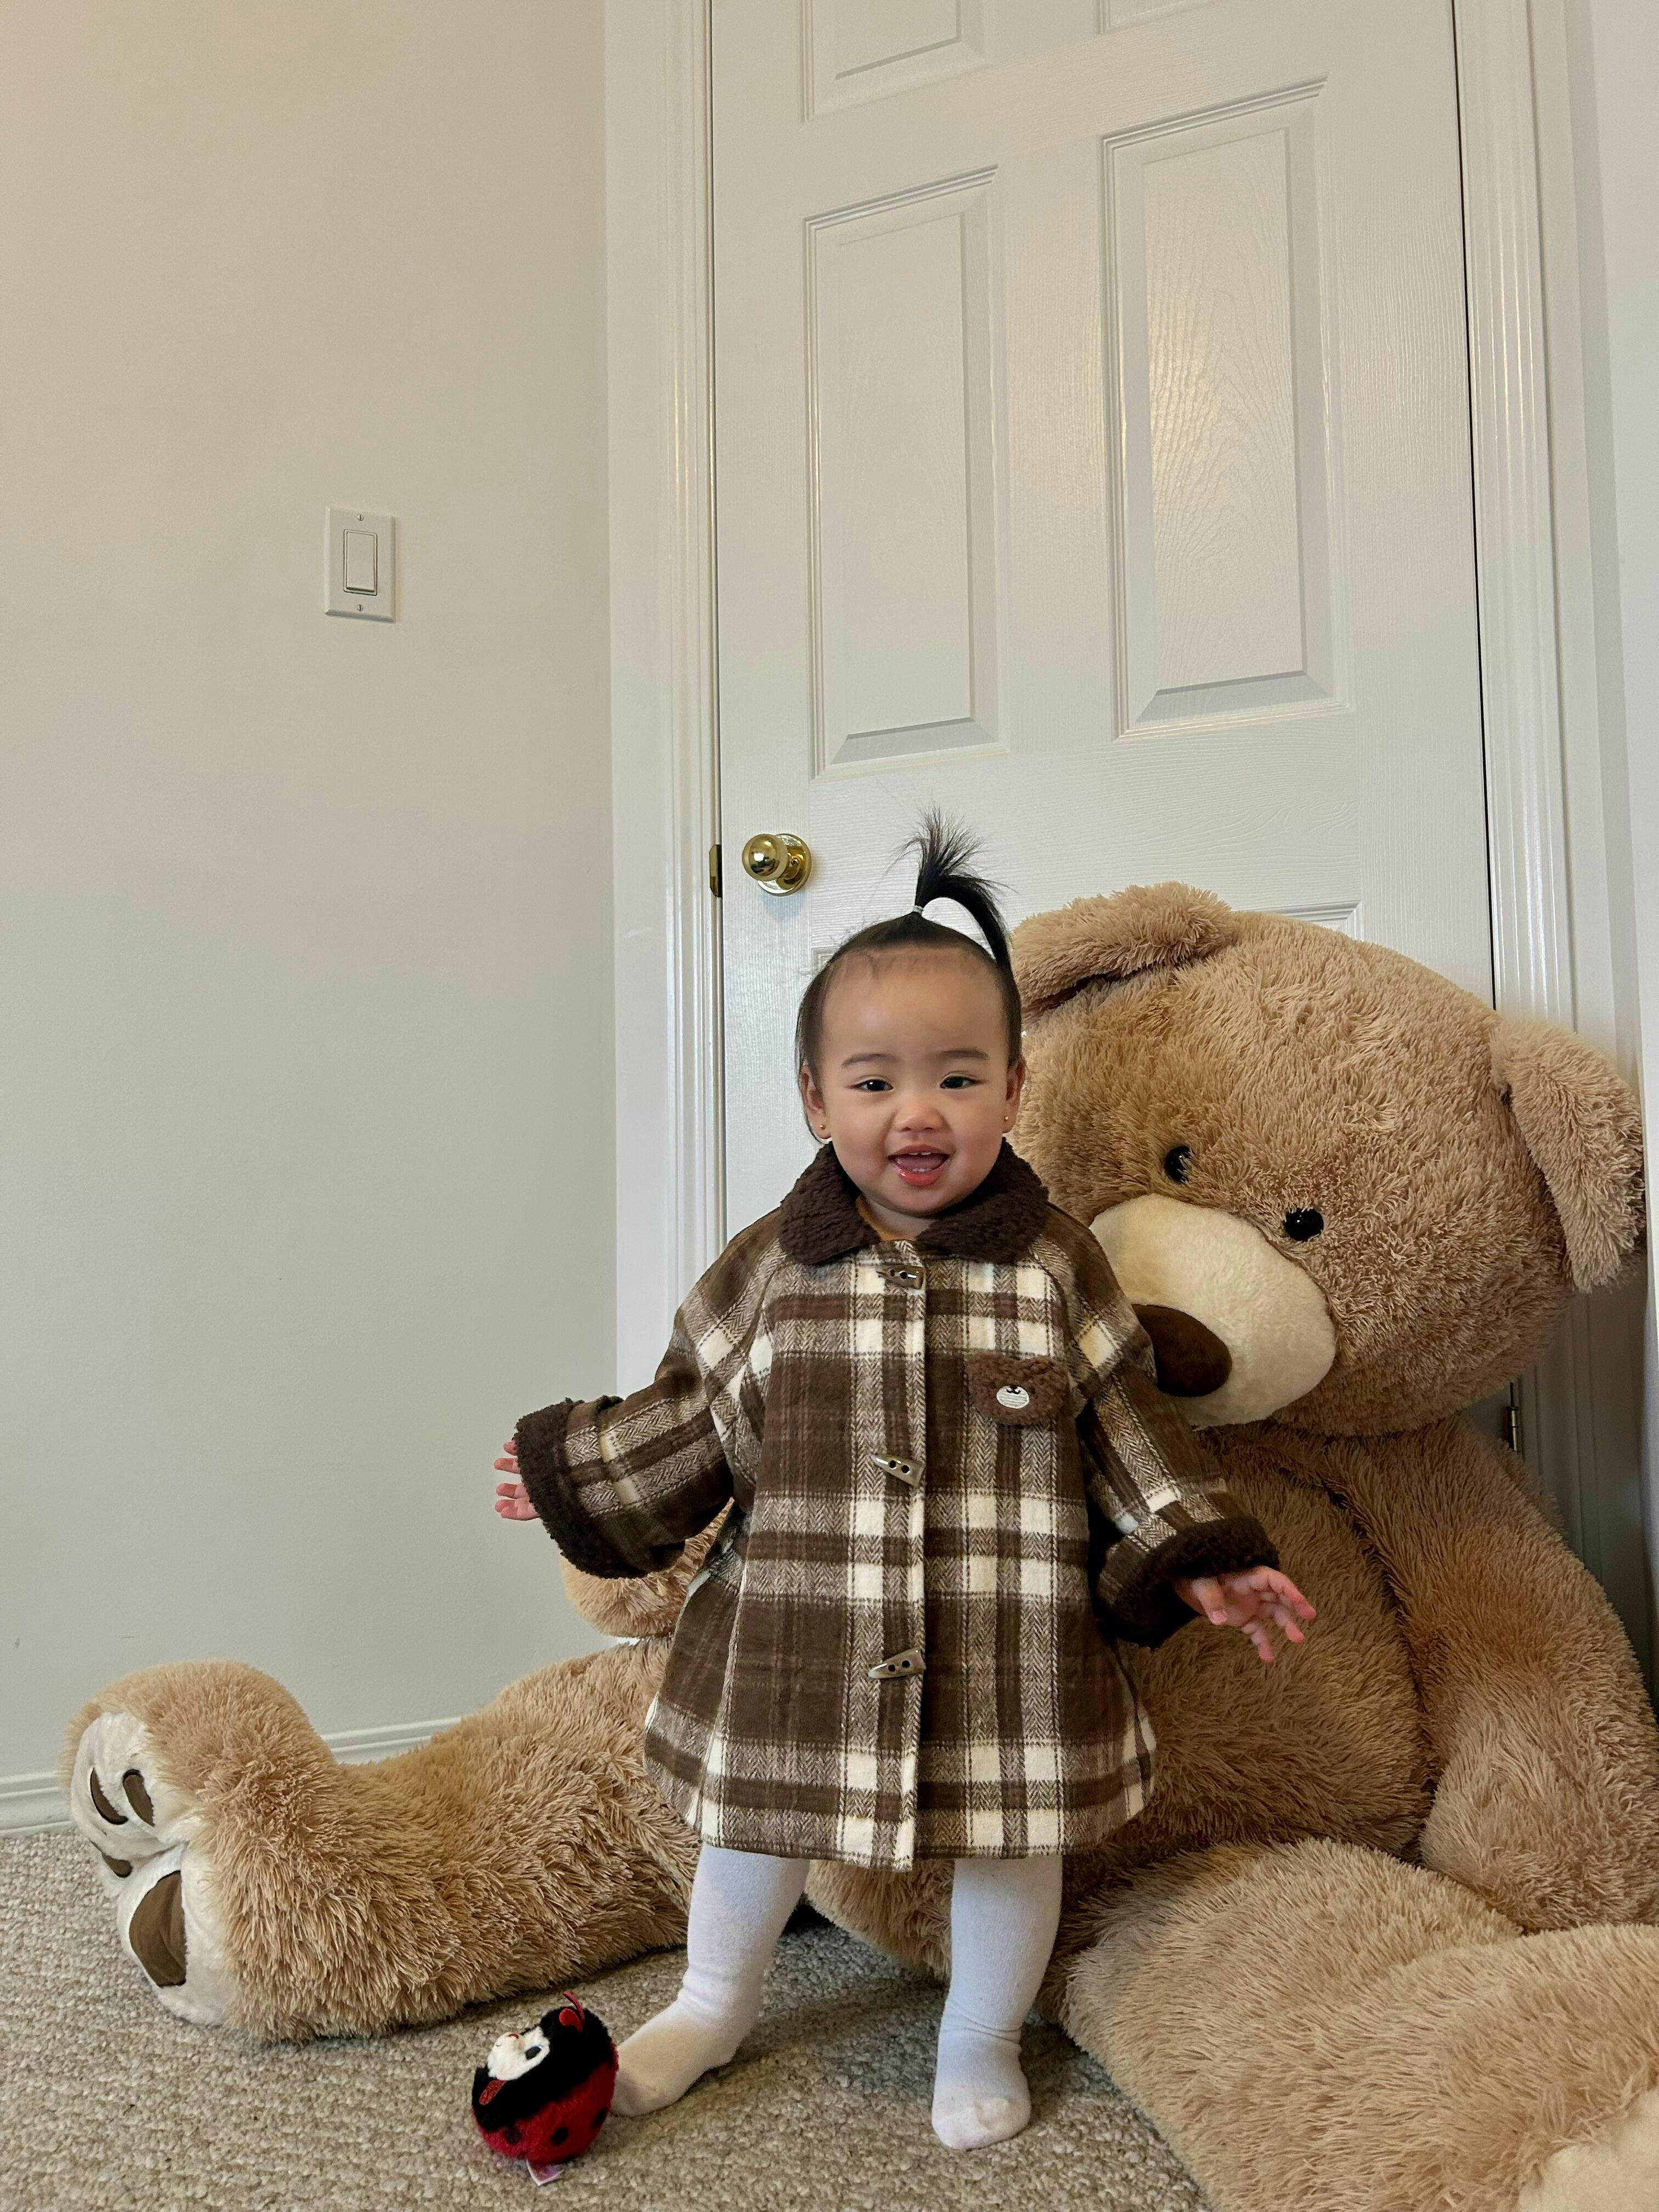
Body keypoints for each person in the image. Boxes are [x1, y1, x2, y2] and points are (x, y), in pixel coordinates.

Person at [493, 815, 1315, 2151]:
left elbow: (1127, 1422)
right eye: (873, 1082)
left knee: (1014, 1838)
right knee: (753, 1821)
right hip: (797, 1623)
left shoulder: (1053, 1264)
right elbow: (695, 1406)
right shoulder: (774, 1262)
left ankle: (980, 2035)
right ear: (817, 1102)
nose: (916, 1113)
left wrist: (1198, 1550)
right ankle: (711, 2002)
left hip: (1006, 1633)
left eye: (957, 1077)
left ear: (1015, 1088)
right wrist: (584, 1475)